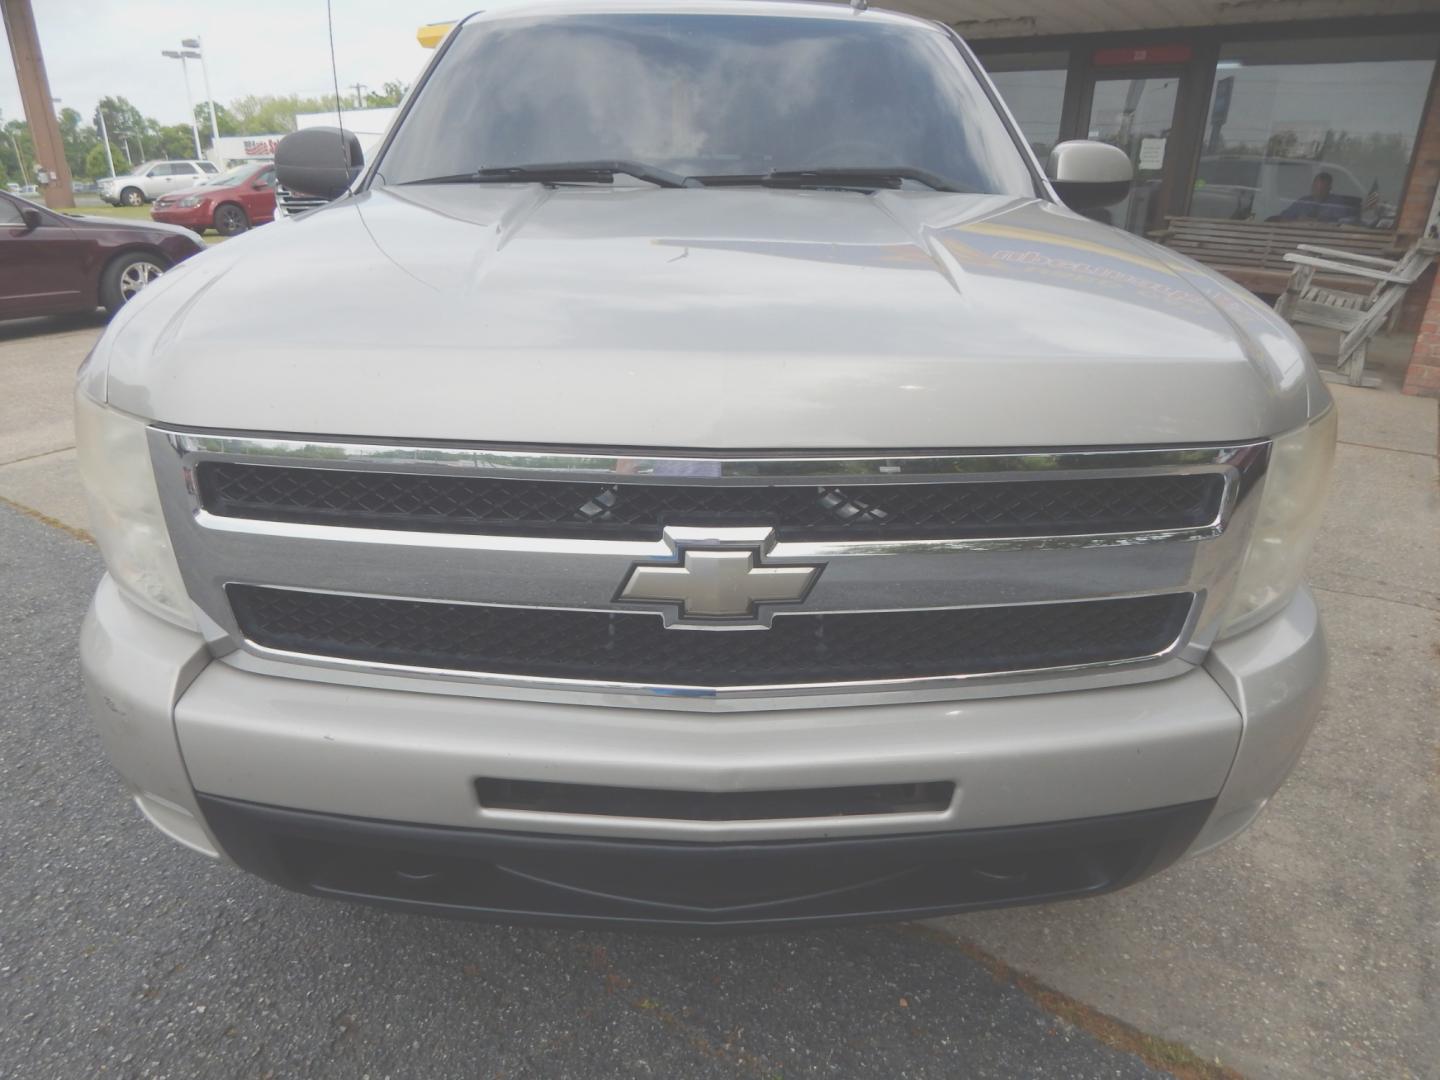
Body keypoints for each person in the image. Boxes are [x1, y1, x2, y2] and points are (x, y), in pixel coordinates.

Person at [1268, 171, 1356, 224]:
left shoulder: (1336, 203)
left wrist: (1320, 222)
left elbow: (1346, 223)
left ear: (1329, 188)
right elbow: (1283, 218)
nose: (1317, 192)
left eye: (1322, 189)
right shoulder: (1304, 201)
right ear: (1312, 186)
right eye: (1315, 188)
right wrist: (1298, 221)